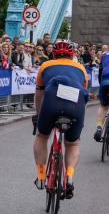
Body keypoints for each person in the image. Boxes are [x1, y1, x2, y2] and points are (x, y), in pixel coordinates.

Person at [32, 39, 89, 199]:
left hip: (51, 103)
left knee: (42, 136)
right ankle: (69, 176)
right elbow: (84, 95)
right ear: (72, 55)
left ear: (53, 54)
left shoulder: (45, 66)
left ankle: (41, 176)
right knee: (73, 143)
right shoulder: (81, 69)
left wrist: (37, 115)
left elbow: (39, 94)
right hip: (75, 106)